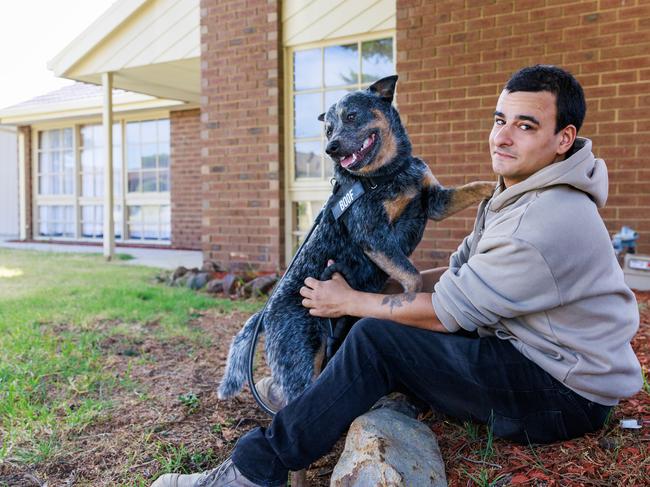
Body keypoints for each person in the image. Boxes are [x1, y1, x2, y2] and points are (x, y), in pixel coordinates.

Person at [152, 65, 642, 487]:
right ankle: (328, 396)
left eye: (526, 126)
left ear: (564, 139)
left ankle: (255, 469)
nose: (502, 136)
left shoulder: (544, 220)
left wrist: (351, 301)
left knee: (377, 338)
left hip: (561, 393)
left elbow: (448, 313)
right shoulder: (523, 193)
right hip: (534, 356)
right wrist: (386, 288)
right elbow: (457, 277)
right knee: (385, 324)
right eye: (500, 120)